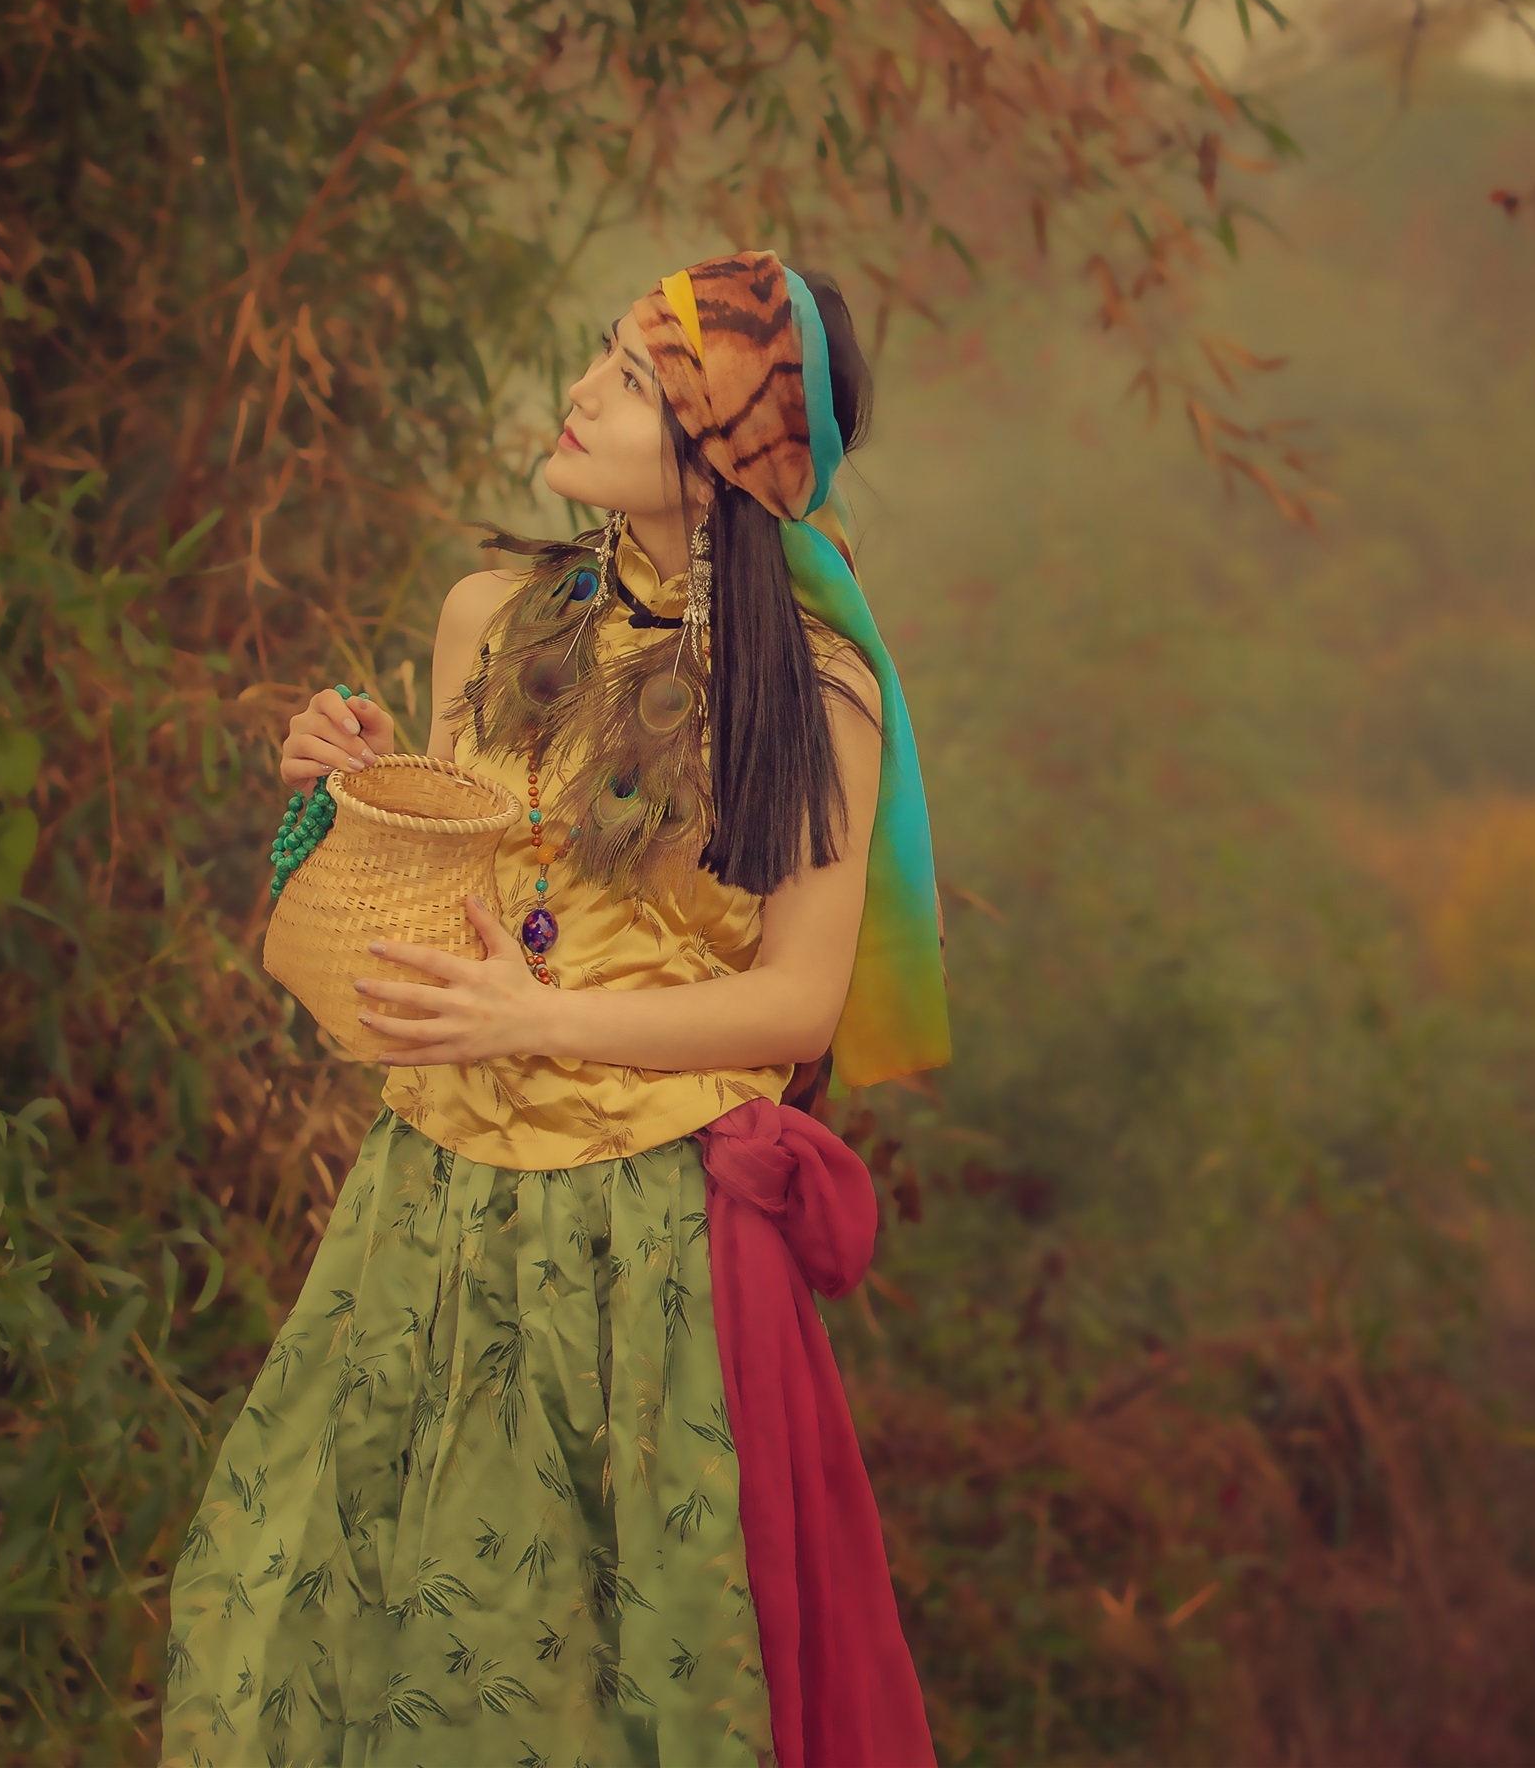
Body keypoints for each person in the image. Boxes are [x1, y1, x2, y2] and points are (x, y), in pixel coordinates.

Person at [162, 252, 947, 1768]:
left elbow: (791, 1010)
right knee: (349, 1622)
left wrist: (542, 1020)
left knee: (582, 1679)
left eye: (641, 383)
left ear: (731, 453)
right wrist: (348, 793)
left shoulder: (817, 698)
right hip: (434, 1206)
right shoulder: (491, 618)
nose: (584, 392)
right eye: (602, 356)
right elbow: (443, 916)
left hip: (643, 1239)